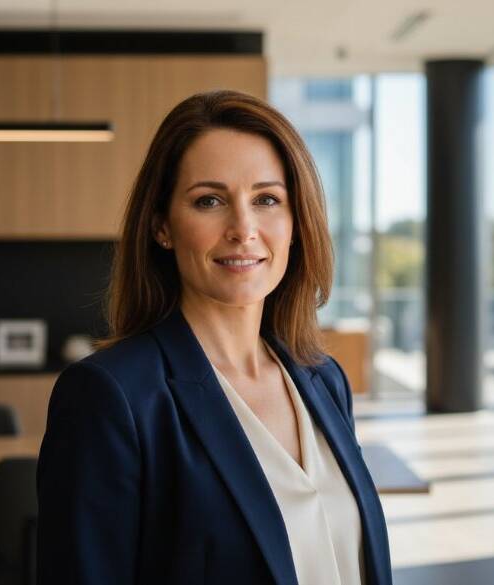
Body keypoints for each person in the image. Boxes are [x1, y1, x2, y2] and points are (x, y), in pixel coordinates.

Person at [37, 90, 392, 585]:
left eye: (267, 199)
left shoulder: (323, 379)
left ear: (295, 222)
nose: (243, 228)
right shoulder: (111, 396)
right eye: (209, 201)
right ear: (162, 225)